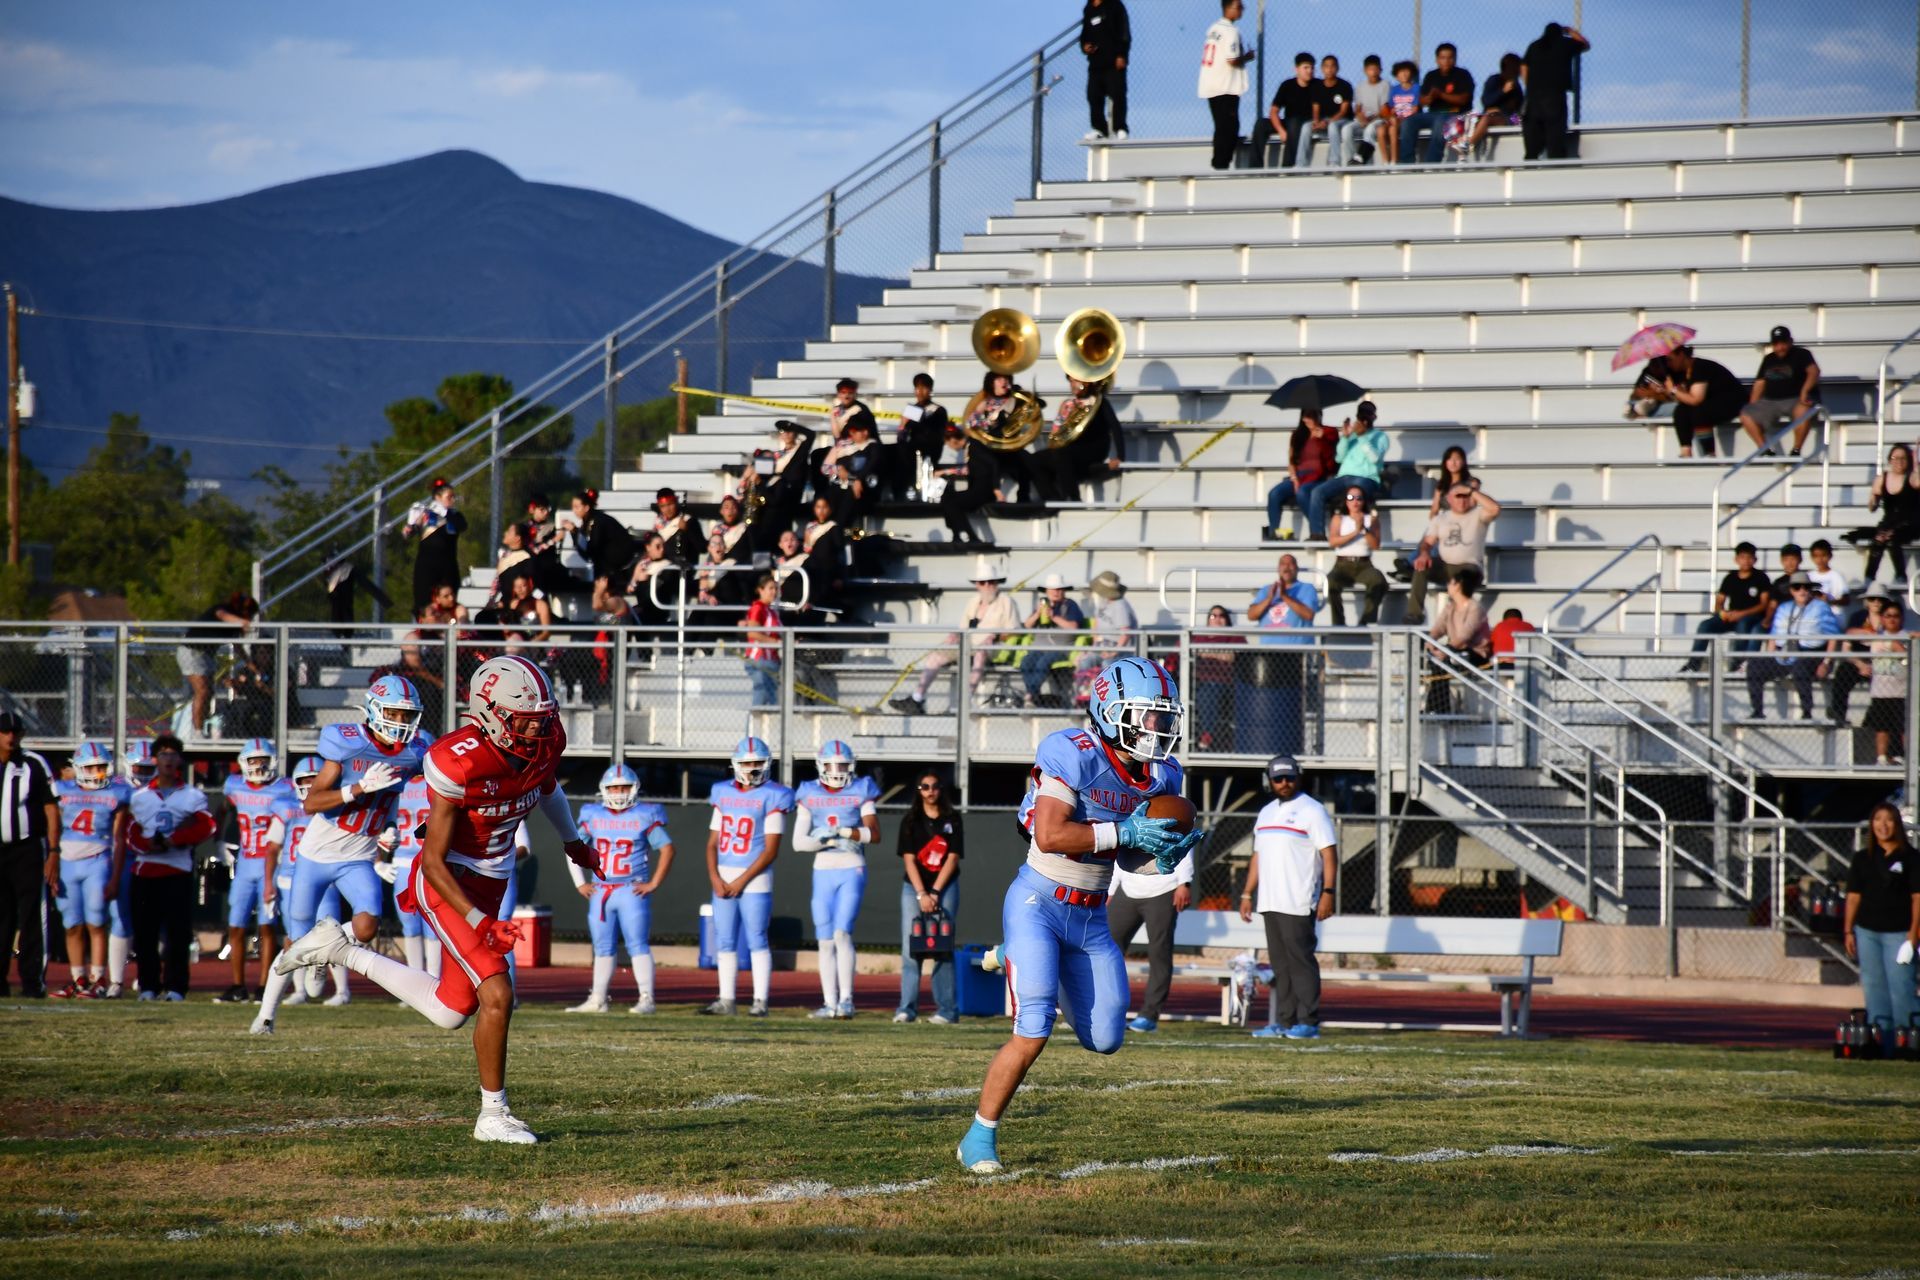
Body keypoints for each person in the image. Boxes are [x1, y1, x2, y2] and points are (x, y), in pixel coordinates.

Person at [275, 655, 596, 1143]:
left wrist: (572, 842)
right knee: (498, 993)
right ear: (490, 713)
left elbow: (545, 785)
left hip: (492, 878)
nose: (539, 729)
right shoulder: (458, 760)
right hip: (447, 880)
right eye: (527, 721)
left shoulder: (546, 741)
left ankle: (340, 950)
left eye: (543, 718)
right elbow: (432, 863)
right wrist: (479, 921)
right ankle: (493, 1115)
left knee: (450, 1010)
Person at [956, 656, 1204, 1174]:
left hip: (1091, 917)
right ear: (1110, 710)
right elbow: (1049, 835)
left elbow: (1139, 858)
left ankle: (1018, 959)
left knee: (1107, 1039)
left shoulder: (1162, 773)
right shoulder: (1074, 752)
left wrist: (1166, 850)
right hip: (1039, 903)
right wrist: (1125, 833)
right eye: (1147, 715)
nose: (1158, 728)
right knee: (1034, 1027)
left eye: (1164, 717)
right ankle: (979, 1135)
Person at [250, 674, 436, 1035]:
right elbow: (311, 802)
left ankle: (324, 947)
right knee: (293, 943)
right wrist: (356, 788)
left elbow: (393, 792)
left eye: (406, 715)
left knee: (367, 927)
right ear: (375, 710)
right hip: (317, 855)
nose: (400, 723)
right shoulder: (347, 744)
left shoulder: (415, 752)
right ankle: (266, 1016)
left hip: (359, 856)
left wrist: (391, 824)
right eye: (394, 714)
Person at [1239, 754, 1338, 1039]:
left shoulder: (1312, 810)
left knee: (1301, 962)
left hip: (1298, 899)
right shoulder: (1266, 812)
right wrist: (1247, 893)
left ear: (1298, 778)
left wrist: (1328, 892)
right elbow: (1258, 856)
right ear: (1269, 780)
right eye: (1278, 778)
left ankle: (1309, 1021)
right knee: (1281, 965)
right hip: (1270, 900)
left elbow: (1329, 854)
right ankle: (1284, 1021)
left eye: (1290, 777)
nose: (1284, 783)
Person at [565, 764, 674, 1014]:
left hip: (630, 889)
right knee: (602, 946)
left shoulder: (644, 815)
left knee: (637, 944)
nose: (619, 792)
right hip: (602, 890)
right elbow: (572, 847)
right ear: (604, 789)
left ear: (634, 788)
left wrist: (654, 883)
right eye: (614, 787)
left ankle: (647, 998)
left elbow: (668, 849)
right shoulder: (593, 815)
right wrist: (580, 882)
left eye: (623, 787)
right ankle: (598, 999)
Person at [703, 736, 793, 1017]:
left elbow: (770, 850)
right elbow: (712, 843)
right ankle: (727, 999)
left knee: (757, 939)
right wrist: (714, 877)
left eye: (757, 762)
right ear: (735, 764)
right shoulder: (723, 792)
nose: (752, 767)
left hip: (755, 879)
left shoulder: (774, 794)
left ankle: (760, 1001)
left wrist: (741, 880)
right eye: (747, 762)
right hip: (724, 875)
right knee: (726, 941)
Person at [793, 741, 880, 1019]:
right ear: (820, 766)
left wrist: (843, 831)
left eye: (842, 765)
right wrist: (826, 840)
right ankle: (829, 1002)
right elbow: (798, 843)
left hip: (852, 866)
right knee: (825, 939)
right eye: (831, 765)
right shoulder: (808, 792)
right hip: (823, 869)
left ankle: (847, 1001)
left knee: (843, 933)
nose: (837, 770)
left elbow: (873, 835)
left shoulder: (861, 789)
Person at [126, 735, 216, 1001]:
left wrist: (175, 839)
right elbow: (130, 833)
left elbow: (207, 826)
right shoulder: (140, 797)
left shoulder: (192, 795)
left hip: (177, 870)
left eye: (172, 753)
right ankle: (148, 986)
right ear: (155, 759)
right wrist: (149, 845)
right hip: (146, 871)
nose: (168, 758)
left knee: (178, 935)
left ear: (179, 759)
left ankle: (176, 987)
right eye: (163, 753)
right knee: (145, 934)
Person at [215, 738, 294, 1004]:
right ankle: (238, 985)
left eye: (263, 760)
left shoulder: (284, 788)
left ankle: (263, 986)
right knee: (235, 925)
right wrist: (219, 838)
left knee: (267, 926)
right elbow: (222, 808)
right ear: (243, 763)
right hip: (246, 861)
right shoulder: (234, 785)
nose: (258, 765)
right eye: (253, 760)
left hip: (272, 862)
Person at [47, 742, 129, 999]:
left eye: (101, 767)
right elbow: (52, 828)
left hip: (98, 859)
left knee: (96, 920)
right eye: (91, 767)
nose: (97, 772)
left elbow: (119, 839)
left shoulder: (117, 793)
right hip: (67, 861)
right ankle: (78, 978)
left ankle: (98, 978)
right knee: (71, 923)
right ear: (79, 768)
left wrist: (115, 875)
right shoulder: (61, 790)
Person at [1107, 806, 1196, 1034]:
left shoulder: (1168, 801)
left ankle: (1149, 1015)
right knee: (1107, 950)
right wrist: (1110, 890)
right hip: (1128, 888)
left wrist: (1183, 882)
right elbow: (1121, 853)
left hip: (1162, 889)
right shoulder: (1129, 802)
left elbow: (1182, 844)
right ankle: (1102, 1010)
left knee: (1159, 952)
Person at [892, 557, 1019, 714]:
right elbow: (963, 627)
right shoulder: (973, 601)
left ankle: (964, 702)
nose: (987, 586)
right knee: (935, 657)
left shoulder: (1007, 602)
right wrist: (954, 636)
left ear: (996, 583)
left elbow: (1014, 630)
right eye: (983, 582)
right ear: (977, 585)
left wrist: (996, 637)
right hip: (968, 644)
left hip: (993, 648)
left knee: (980, 654)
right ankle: (917, 698)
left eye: (991, 582)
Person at [1842, 803, 1920, 1049]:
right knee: (1874, 988)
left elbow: (1918, 898)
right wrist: (1848, 930)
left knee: (1902, 988)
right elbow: (1854, 897)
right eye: (1878, 820)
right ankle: (1881, 1043)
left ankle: (1908, 1041)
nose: (1883, 825)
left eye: (1889, 820)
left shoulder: (1911, 858)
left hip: (1899, 933)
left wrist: (1913, 935)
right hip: (1867, 932)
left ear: (1897, 824)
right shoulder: (1862, 858)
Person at [896, 771, 963, 1024]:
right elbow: (909, 860)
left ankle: (947, 1010)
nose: (930, 791)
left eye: (935, 786)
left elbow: (953, 857)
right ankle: (906, 1008)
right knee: (910, 948)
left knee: (942, 945)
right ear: (918, 790)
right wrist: (921, 893)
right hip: (913, 889)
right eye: (925, 786)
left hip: (945, 887)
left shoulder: (952, 819)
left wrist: (935, 892)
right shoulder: (910, 820)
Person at [1248, 554, 1321, 755]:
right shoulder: (1266, 591)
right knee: (1272, 706)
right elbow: (1252, 614)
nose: (1286, 567)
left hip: (1296, 657)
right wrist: (1272, 597)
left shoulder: (1306, 589)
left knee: (1296, 706)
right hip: (1269, 657)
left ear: (1296, 568)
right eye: (1283, 564)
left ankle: (1301, 748)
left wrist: (1286, 597)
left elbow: (1308, 614)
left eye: (1290, 564)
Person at [1744, 571, 1841, 720]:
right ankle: (1757, 711)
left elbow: (1833, 637)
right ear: (1791, 590)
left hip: (1812, 654)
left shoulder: (1821, 608)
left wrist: (1826, 662)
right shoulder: (1783, 608)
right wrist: (1771, 657)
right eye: (1797, 587)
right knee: (1755, 666)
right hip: (1785, 654)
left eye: (1806, 587)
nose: (1802, 590)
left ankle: (1806, 712)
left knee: (1801, 667)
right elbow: (1774, 637)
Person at [1402, 485, 1503, 626]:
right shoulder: (1440, 519)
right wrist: (1424, 554)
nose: (1462, 500)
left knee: (1462, 579)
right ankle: (1414, 614)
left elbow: (1495, 509)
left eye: (1465, 496)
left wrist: (1472, 491)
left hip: (1469, 566)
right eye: (1458, 496)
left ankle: (1458, 622)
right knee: (1421, 566)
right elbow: (1427, 542)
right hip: (1445, 565)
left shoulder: (1478, 515)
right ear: (1449, 499)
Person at [1683, 541, 1772, 673]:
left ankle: (1737, 665)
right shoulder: (1730, 578)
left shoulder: (1761, 577)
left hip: (1751, 617)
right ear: (1736, 559)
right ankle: (1693, 665)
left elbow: (1764, 604)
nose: (1746, 561)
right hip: (1731, 617)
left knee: (1743, 624)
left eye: (1749, 557)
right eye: (1742, 557)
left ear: (1755, 559)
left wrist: (1742, 614)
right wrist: (1722, 612)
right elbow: (1719, 601)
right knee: (1705, 625)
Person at [179, 592, 259, 738]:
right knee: (202, 691)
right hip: (192, 652)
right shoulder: (223, 609)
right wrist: (241, 622)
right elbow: (222, 615)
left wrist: (249, 662)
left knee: (209, 692)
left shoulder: (234, 628)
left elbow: (237, 645)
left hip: (207, 655)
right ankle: (196, 733)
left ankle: (201, 728)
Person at [1739, 325, 1823, 457]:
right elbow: (1760, 383)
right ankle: (1764, 449)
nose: (1780, 347)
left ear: (1790, 341)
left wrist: (1805, 390)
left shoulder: (1802, 354)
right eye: (1776, 344)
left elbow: (1814, 372)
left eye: (1783, 343)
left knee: (1803, 410)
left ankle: (1796, 450)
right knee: (1746, 414)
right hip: (1771, 401)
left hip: (1796, 399)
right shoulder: (1769, 359)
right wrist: (1753, 404)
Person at [385, 767, 439, 975]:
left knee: (434, 925)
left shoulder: (438, 783)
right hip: (403, 861)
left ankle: (434, 981)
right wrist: (379, 859)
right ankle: (416, 981)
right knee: (409, 925)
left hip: (432, 861)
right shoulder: (395, 785)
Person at [1845, 444, 1920, 583]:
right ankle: (1869, 577)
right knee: (1879, 539)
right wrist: (1873, 499)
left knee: (1892, 539)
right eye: (1895, 458)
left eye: (1903, 458)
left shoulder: (1912, 477)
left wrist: (1916, 462)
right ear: (1890, 460)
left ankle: (1900, 576)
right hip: (1889, 523)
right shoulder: (1882, 479)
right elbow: (1872, 508)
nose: (1899, 461)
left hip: (1910, 523)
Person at [1314, 401, 1389, 534]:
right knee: (1317, 492)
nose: (1364, 420)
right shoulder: (1352, 435)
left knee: (1355, 493)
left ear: (1374, 417)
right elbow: (1339, 458)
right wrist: (1345, 438)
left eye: (1368, 415)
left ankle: (1361, 529)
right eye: (1362, 416)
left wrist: (1362, 437)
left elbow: (1374, 458)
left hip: (1366, 477)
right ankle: (1317, 533)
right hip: (1344, 476)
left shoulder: (1381, 436)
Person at [1426, 566, 1495, 712]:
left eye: (1450, 583)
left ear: (1458, 585)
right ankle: (1438, 707)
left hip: (1475, 653)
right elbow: (1438, 628)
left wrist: (1446, 651)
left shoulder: (1475, 608)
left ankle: (1438, 708)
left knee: (1441, 662)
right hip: (1454, 652)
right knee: (1436, 662)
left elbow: (1465, 636)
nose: (1448, 586)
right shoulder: (1450, 607)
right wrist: (1430, 641)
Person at [1264, 408, 1338, 540]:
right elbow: (1291, 461)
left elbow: (1333, 459)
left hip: (1319, 475)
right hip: (1299, 475)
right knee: (1274, 493)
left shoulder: (1329, 432)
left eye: (1314, 416)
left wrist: (1323, 439)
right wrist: (1294, 478)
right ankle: (1273, 532)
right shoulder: (1297, 435)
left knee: (1303, 492)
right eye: (1308, 416)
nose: (1311, 420)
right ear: (1303, 418)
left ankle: (1317, 531)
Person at [1520, 21, 1589, 160]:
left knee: (1532, 139)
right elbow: (1585, 44)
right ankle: (1555, 161)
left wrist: (1529, 85)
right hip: (1554, 95)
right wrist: (1570, 31)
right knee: (1555, 134)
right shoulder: (1564, 43)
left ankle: (1530, 162)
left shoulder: (1534, 46)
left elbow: (1523, 67)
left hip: (1533, 97)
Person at [1198, 0, 1254, 171]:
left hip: (1211, 83)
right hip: (1225, 85)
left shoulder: (1213, 28)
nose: (1242, 10)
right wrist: (1247, 57)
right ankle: (1221, 164)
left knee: (1222, 125)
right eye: (1240, 7)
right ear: (1230, 8)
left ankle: (1219, 162)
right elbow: (1232, 59)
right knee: (1229, 127)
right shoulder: (1230, 31)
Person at [561, 489, 637, 615]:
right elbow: (587, 552)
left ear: (586, 507)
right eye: (573, 507)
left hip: (614, 561)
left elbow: (593, 549)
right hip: (605, 563)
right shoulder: (588, 522)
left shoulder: (598, 521)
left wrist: (574, 531)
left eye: (577, 507)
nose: (574, 510)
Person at [1662, 346, 1746, 459]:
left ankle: (1709, 453)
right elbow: (1685, 398)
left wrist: (1674, 390)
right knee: (1681, 411)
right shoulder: (1682, 372)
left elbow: (1696, 399)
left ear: (1681, 355)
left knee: (1699, 411)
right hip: (1713, 401)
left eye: (1670, 359)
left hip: (1732, 401)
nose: (1668, 364)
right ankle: (1685, 451)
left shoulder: (1700, 367)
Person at [1854, 602, 1910, 764]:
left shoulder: (1906, 637)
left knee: (1904, 727)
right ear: (1882, 619)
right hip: (1881, 691)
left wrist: (1894, 645)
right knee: (1882, 727)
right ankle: (1882, 757)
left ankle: (1908, 757)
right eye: (1888, 616)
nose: (1892, 620)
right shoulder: (1877, 637)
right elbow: (1850, 633)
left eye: (1896, 616)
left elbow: (1909, 656)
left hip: (1902, 691)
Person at [1400, 43, 1474, 165]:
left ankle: (1431, 163)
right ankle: (1406, 163)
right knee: (1409, 121)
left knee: (1440, 122)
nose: (1446, 61)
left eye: (1450, 57)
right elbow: (1422, 101)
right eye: (1443, 58)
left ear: (1455, 59)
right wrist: (1428, 98)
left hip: (1455, 114)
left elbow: (1464, 99)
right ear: (1437, 59)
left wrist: (1441, 95)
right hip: (1432, 114)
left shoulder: (1463, 75)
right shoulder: (1431, 75)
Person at [1020, 573, 1086, 707]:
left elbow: (1073, 627)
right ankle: (1034, 696)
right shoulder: (1042, 605)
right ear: (1047, 591)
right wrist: (1038, 614)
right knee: (1026, 662)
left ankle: (1030, 696)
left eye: (1059, 589)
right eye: (1053, 589)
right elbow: (1026, 626)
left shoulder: (1070, 605)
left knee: (1043, 663)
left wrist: (1054, 617)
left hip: (1060, 648)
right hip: (1038, 648)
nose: (1056, 592)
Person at [1326, 486, 1388, 626]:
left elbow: (1375, 545)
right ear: (1346, 501)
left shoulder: (1371, 519)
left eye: (1359, 498)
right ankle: (1338, 623)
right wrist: (1355, 532)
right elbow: (1333, 541)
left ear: (1364, 501)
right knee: (1330, 583)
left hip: (1364, 564)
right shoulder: (1339, 518)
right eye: (1350, 498)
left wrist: (1364, 530)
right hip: (1342, 564)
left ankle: (1366, 621)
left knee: (1378, 581)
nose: (1355, 501)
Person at [403, 479, 467, 614]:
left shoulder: (454, 515)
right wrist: (411, 525)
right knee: (424, 600)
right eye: (449, 497)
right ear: (437, 497)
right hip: (427, 566)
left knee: (450, 599)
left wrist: (445, 513)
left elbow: (462, 526)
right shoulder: (425, 514)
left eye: (453, 497)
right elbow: (407, 534)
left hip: (448, 565)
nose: (452, 500)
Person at [934, 420, 1003, 545]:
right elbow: (969, 470)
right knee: (946, 497)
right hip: (976, 489)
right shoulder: (969, 448)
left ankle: (970, 537)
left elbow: (994, 463)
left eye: (949, 444)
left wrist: (996, 489)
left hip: (984, 490)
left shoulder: (974, 446)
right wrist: (946, 471)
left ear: (954, 440)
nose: (950, 448)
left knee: (953, 502)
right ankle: (957, 535)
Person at [889, 373, 951, 502]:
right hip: (912, 448)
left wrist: (920, 420)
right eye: (917, 388)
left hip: (930, 448)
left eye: (924, 388)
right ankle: (898, 494)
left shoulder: (938, 410)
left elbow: (937, 434)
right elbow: (901, 437)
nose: (920, 392)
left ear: (930, 390)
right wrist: (903, 425)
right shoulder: (911, 409)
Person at [1191, 605, 1245, 751]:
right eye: (1213, 616)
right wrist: (1217, 653)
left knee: (1210, 691)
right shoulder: (1198, 635)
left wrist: (1205, 652)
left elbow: (1232, 656)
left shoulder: (1234, 636)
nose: (1217, 619)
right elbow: (1184, 651)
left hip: (1223, 682)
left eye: (1221, 616)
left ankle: (1207, 735)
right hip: (1197, 680)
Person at [1453, 53, 1523, 157]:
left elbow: (1518, 110)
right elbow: (1486, 101)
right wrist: (1503, 91)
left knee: (1486, 118)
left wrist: (1500, 110)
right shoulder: (1494, 80)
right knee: (1474, 118)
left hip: (1508, 118)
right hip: (1490, 115)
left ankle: (1467, 145)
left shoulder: (1516, 87)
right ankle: (1467, 143)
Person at [1080, 0, 1130, 140]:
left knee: (1117, 94)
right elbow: (1084, 34)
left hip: (1113, 61)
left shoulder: (1115, 6)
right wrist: (1085, 46)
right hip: (1096, 63)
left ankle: (1120, 127)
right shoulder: (1088, 9)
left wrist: (1121, 55)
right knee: (1093, 95)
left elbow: (1124, 32)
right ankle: (1099, 129)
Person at [1082, 569, 1140, 679]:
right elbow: (1096, 625)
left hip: (1122, 651)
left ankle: (1107, 694)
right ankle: (1084, 693)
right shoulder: (1102, 602)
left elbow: (1125, 633)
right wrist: (1094, 648)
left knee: (1107, 665)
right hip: (1102, 647)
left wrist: (1113, 653)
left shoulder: (1120, 605)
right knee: (1085, 662)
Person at [739, 573, 785, 709]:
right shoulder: (757, 608)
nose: (774, 592)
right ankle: (754, 728)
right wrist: (775, 643)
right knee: (762, 695)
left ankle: (765, 728)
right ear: (760, 590)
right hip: (759, 660)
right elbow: (753, 633)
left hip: (772, 661)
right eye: (770, 588)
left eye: (775, 588)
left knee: (772, 700)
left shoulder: (772, 611)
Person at [1266, 53, 1320, 169]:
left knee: (1295, 123)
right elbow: (1274, 111)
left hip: (1305, 122)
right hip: (1288, 122)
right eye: (1306, 67)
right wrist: (1280, 131)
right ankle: (1255, 167)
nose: (1309, 71)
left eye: (1312, 68)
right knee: (1261, 124)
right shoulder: (1287, 85)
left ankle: (1288, 166)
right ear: (1296, 69)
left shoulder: (1317, 85)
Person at [1309, 55, 1355, 168]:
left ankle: (1335, 161)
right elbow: (1315, 107)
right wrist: (1316, 121)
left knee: (1333, 126)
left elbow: (1343, 111)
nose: (1329, 69)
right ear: (1322, 69)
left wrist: (1328, 122)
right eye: (1326, 66)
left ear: (1337, 68)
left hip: (1343, 120)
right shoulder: (1317, 86)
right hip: (1324, 120)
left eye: (1332, 66)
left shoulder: (1345, 86)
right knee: (1306, 127)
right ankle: (1301, 163)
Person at [1352, 55, 1393, 165]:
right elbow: (1358, 108)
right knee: (1347, 130)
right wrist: (1361, 118)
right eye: (1370, 69)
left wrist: (1370, 119)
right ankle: (1351, 159)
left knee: (1370, 130)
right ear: (1365, 71)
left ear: (1380, 70)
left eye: (1376, 69)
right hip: (1363, 119)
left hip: (1379, 119)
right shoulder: (1360, 86)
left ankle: (1361, 158)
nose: (1373, 72)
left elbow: (1385, 109)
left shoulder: (1385, 85)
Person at [1427, 445, 1480, 517]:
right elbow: (1434, 509)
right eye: (1449, 459)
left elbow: (1472, 505)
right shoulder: (1442, 484)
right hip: (1445, 523)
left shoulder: (1472, 483)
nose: (1453, 463)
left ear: (1463, 461)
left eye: (1457, 459)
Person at [1384, 61, 1421, 165]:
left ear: (1412, 73)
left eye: (1406, 71)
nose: (1404, 74)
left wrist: (1403, 117)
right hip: (1396, 120)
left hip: (1410, 120)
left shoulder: (1416, 88)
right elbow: (1391, 108)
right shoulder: (1394, 90)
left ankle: (1396, 160)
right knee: (1387, 129)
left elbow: (1415, 108)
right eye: (1400, 72)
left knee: (1394, 126)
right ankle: (1390, 161)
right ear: (1396, 76)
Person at [1806, 539, 1851, 610]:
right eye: (1816, 556)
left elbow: (1846, 600)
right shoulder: (1809, 576)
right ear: (1812, 557)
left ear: (1830, 556)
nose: (1820, 559)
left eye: (1823, 555)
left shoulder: (1837, 576)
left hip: (1834, 615)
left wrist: (1829, 601)